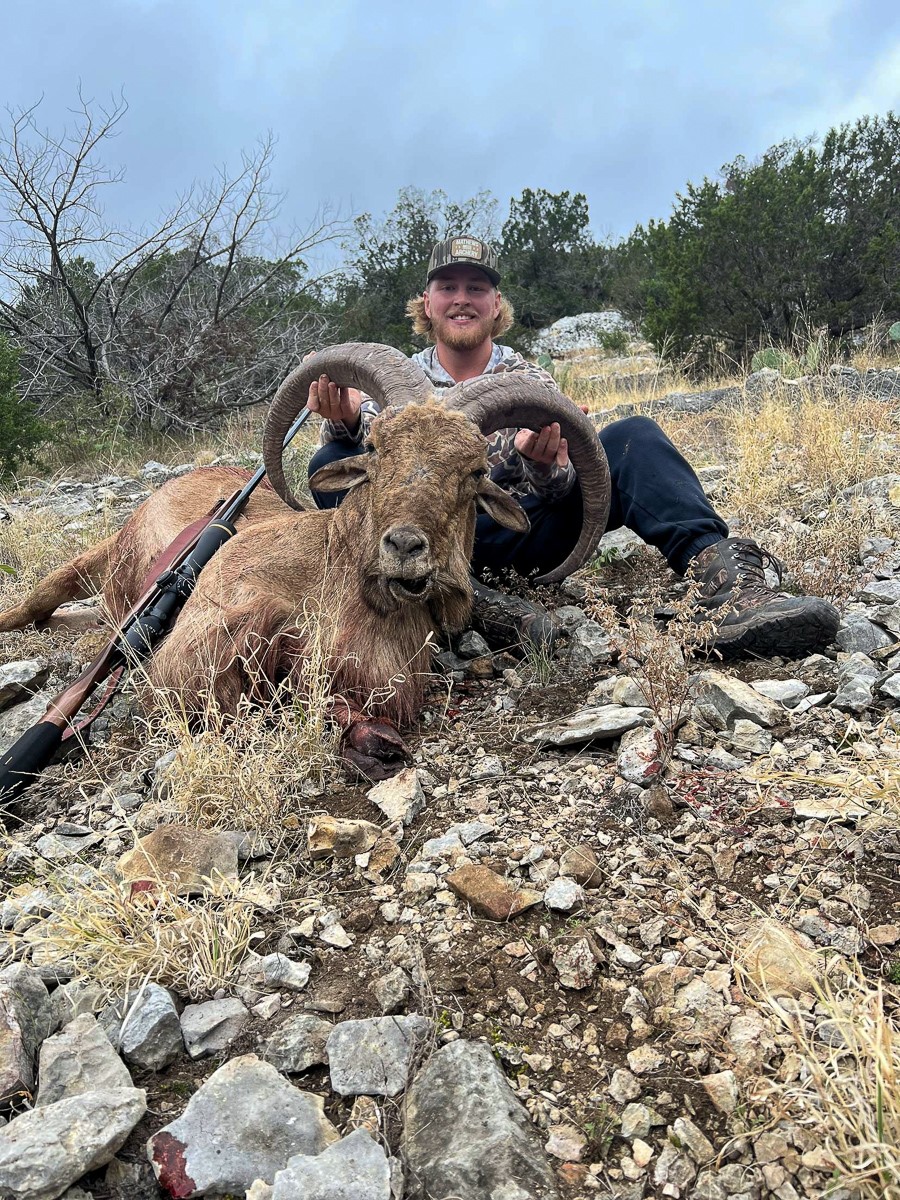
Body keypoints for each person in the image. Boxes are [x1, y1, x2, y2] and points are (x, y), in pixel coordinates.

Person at [305, 235, 839, 659]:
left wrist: (545, 467)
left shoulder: (528, 379)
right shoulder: (396, 382)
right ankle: (467, 600)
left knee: (633, 438)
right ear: (427, 302)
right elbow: (367, 463)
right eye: (448, 287)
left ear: (496, 305)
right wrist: (347, 422)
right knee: (329, 462)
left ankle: (732, 585)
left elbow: (567, 482)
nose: (462, 298)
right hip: (421, 539)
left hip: (514, 531)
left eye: (477, 287)